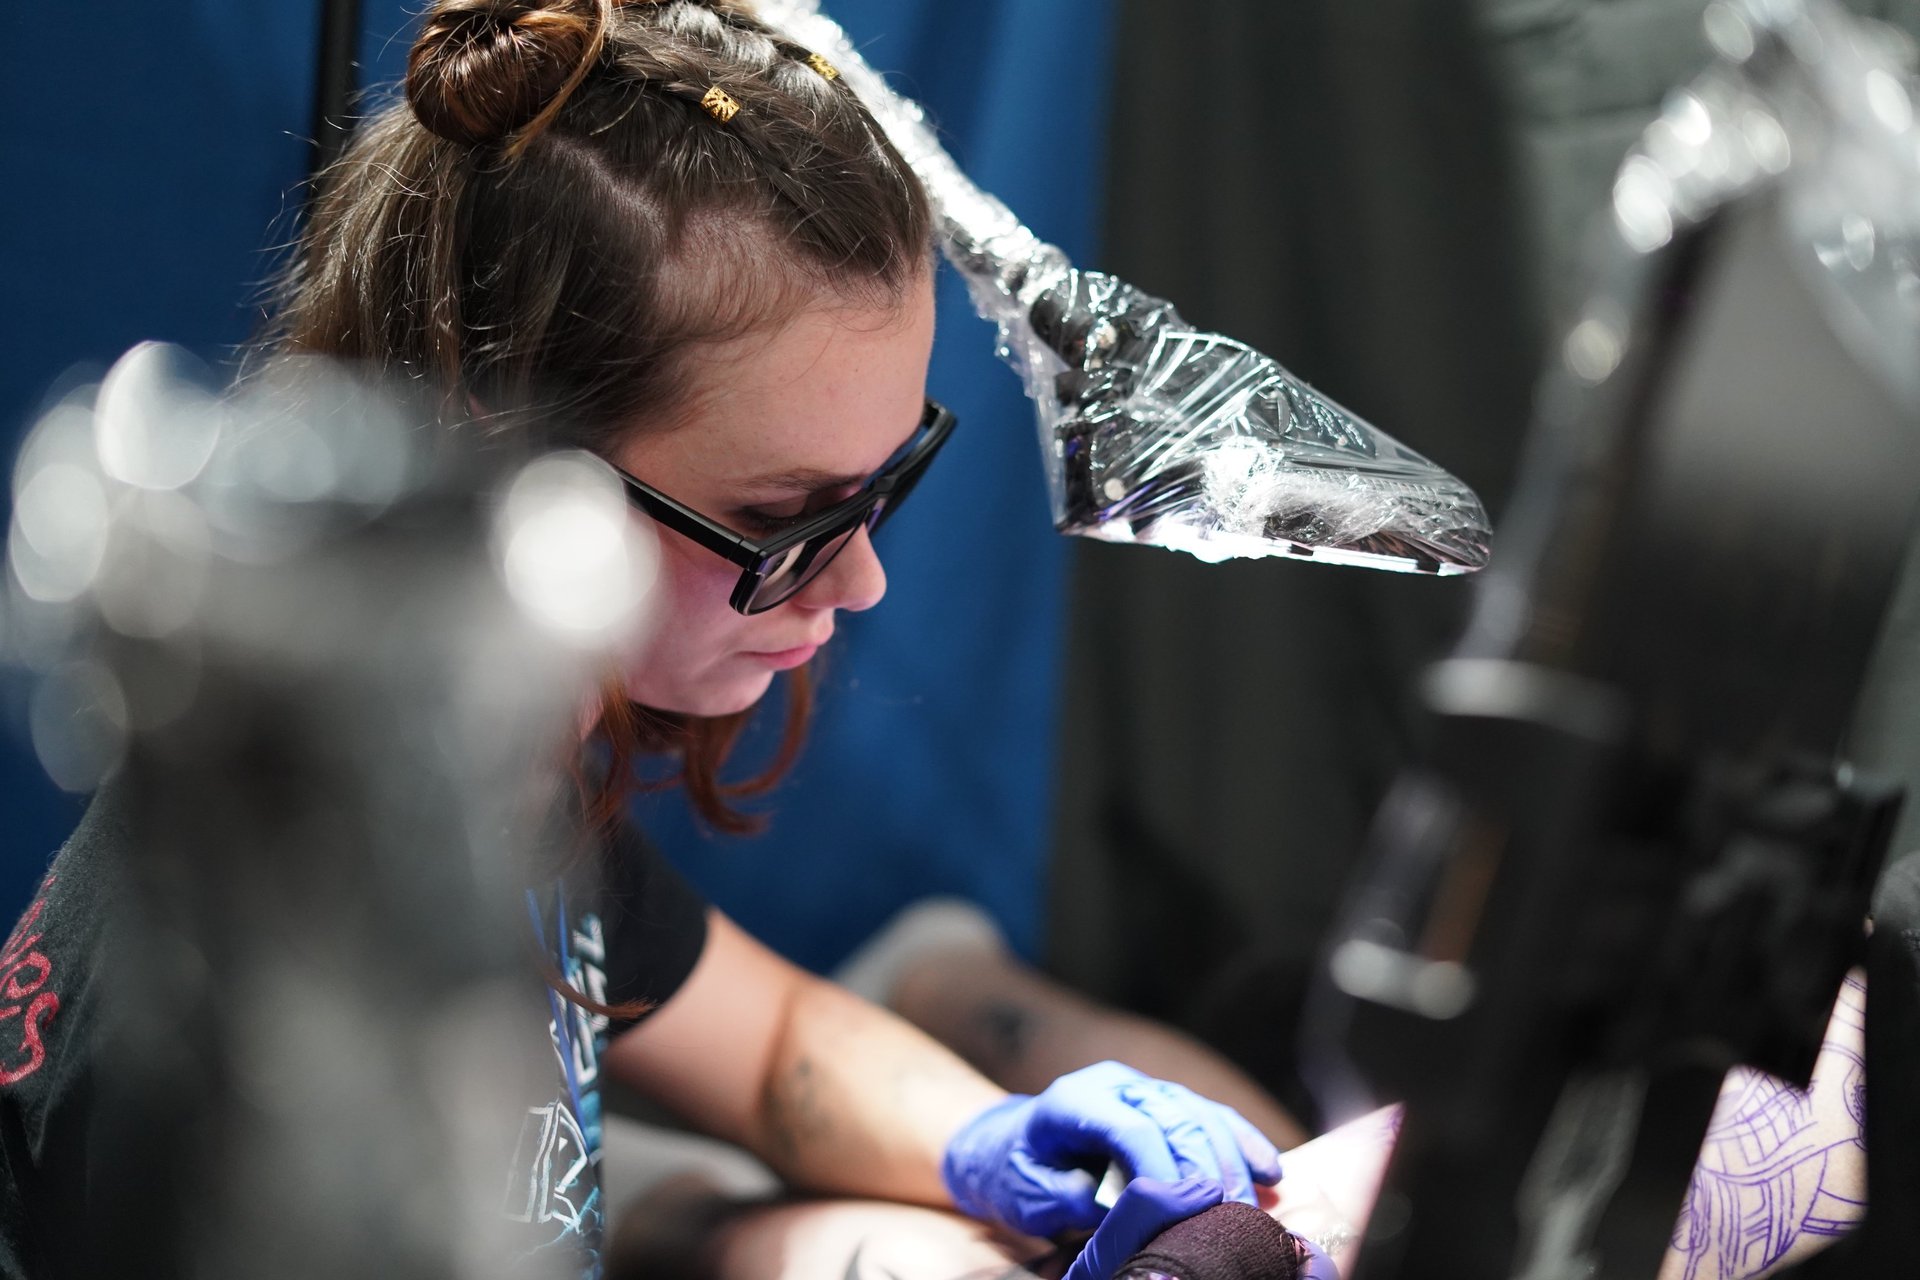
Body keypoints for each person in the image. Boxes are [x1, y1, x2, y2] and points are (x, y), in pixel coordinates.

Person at [0, 3, 1290, 1277]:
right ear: (500, 465)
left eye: (882, 489)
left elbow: (776, 1044)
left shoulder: (493, 779)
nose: (867, 582)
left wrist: (990, 1139)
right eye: (787, 517)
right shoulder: (256, 1008)